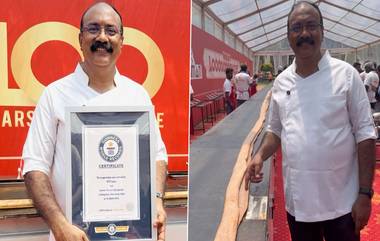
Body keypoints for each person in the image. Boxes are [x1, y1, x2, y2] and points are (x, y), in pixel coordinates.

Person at [22, 2, 168, 241]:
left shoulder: (137, 94)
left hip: (132, 235)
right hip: (73, 235)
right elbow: (34, 167)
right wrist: (59, 225)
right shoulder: (55, 94)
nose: (102, 37)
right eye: (93, 29)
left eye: (111, 30)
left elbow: (157, 157)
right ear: (80, 39)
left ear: (122, 40)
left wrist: (157, 203)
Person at [244, 2, 376, 241]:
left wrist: (365, 193)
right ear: (288, 36)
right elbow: (275, 130)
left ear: (322, 31)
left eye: (311, 26)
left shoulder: (346, 75)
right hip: (299, 203)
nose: (304, 33)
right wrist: (258, 156)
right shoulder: (282, 82)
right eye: (297, 28)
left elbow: (365, 133)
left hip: (343, 202)